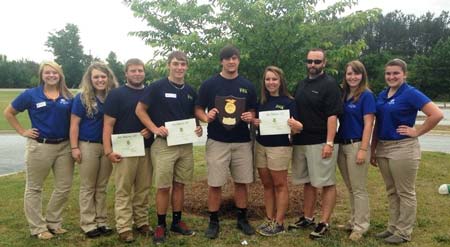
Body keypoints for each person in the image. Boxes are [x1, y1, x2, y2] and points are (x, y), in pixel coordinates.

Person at [370, 58, 443, 244]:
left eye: (396, 73)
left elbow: (436, 114)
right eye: (388, 73)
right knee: (391, 191)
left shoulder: (410, 93)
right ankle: (392, 227)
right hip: (383, 147)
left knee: (405, 192)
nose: (391, 76)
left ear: (404, 74)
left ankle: (403, 232)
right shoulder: (383, 94)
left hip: (402, 147)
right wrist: (373, 148)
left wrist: (417, 131)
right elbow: (378, 123)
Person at [135, 51, 202, 244]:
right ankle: (161, 225)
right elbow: (140, 110)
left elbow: (193, 114)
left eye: (183, 64)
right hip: (164, 145)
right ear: (169, 65)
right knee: (164, 186)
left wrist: (197, 128)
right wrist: (154, 128)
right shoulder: (156, 87)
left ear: (186, 67)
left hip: (185, 145)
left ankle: (177, 222)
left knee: (180, 184)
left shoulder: (190, 90)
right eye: (175, 64)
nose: (179, 68)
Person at [3, 61, 73, 240]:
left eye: (54, 73)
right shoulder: (30, 95)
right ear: (42, 75)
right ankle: (38, 227)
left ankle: (53, 222)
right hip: (39, 146)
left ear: (60, 75)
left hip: (64, 146)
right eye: (47, 73)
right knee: (34, 188)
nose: (51, 76)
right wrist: (22, 131)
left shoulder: (68, 95)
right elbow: (9, 112)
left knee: (64, 187)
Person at [195, 45, 258, 239]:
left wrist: (250, 115)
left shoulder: (247, 86)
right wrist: (206, 117)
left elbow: (253, 110)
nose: (231, 62)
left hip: (241, 141)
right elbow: (198, 108)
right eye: (227, 58)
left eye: (235, 58)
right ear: (221, 61)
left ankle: (242, 218)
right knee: (215, 183)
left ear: (238, 60)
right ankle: (213, 221)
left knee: (241, 182)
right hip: (217, 140)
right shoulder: (209, 84)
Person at [289, 48, 343, 239]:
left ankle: (324, 222)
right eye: (310, 61)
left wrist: (329, 142)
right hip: (301, 141)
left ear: (324, 63)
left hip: (321, 142)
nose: (313, 65)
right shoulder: (301, 84)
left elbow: (332, 116)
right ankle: (308, 217)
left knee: (326, 182)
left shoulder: (330, 85)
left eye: (317, 62)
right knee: (308, 182)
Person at [102, 58, 154, 243]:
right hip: (124, 151)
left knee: (143, 189)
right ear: (126, 73)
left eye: (140, 70)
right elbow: (108, 124)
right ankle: (124, 227)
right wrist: (108, 151)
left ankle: (142, 222)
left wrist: (151, 129)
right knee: (123, 190)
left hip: (146, 149)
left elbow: (154, 118)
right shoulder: (116, 94)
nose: (137, 73)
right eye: (133, 71)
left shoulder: (150, 92)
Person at [252, 66, 303, 236]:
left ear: (280, 82)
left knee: (280, 185)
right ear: (264, 82)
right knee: (267, 185)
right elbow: (256, 122)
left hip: (280, 147)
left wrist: (296, 127)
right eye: (268, 79)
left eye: (274, 79)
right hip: (261, 146)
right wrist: (255, 122)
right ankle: (269, 219)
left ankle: (279, 223)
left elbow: (295, 128)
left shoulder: (289, 102)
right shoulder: (261, 102)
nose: (271, 82)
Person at [69, 62, 118, 238]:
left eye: (103, 76)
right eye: (96, 77)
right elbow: (74, 124)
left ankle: (102, 221)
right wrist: (74, 147)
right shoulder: (82, 97)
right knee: (88, 186)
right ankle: (88, 223)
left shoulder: (113, 96)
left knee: (102, 185)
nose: (100, 80)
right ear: (90, 79)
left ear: (109, 78)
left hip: (107, 146)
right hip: (87, 144)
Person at [336, 60, 375, 241]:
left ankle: (361, 226)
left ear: (362, 75)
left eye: (356, 73)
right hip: (342, 144)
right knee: (351, 188)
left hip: (356, 145)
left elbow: (369, 124)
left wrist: (363, 149)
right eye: (349, 74)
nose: (352, 77)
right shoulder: (344, 94)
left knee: (359, 189)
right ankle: (353, 220)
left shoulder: (366, 95)